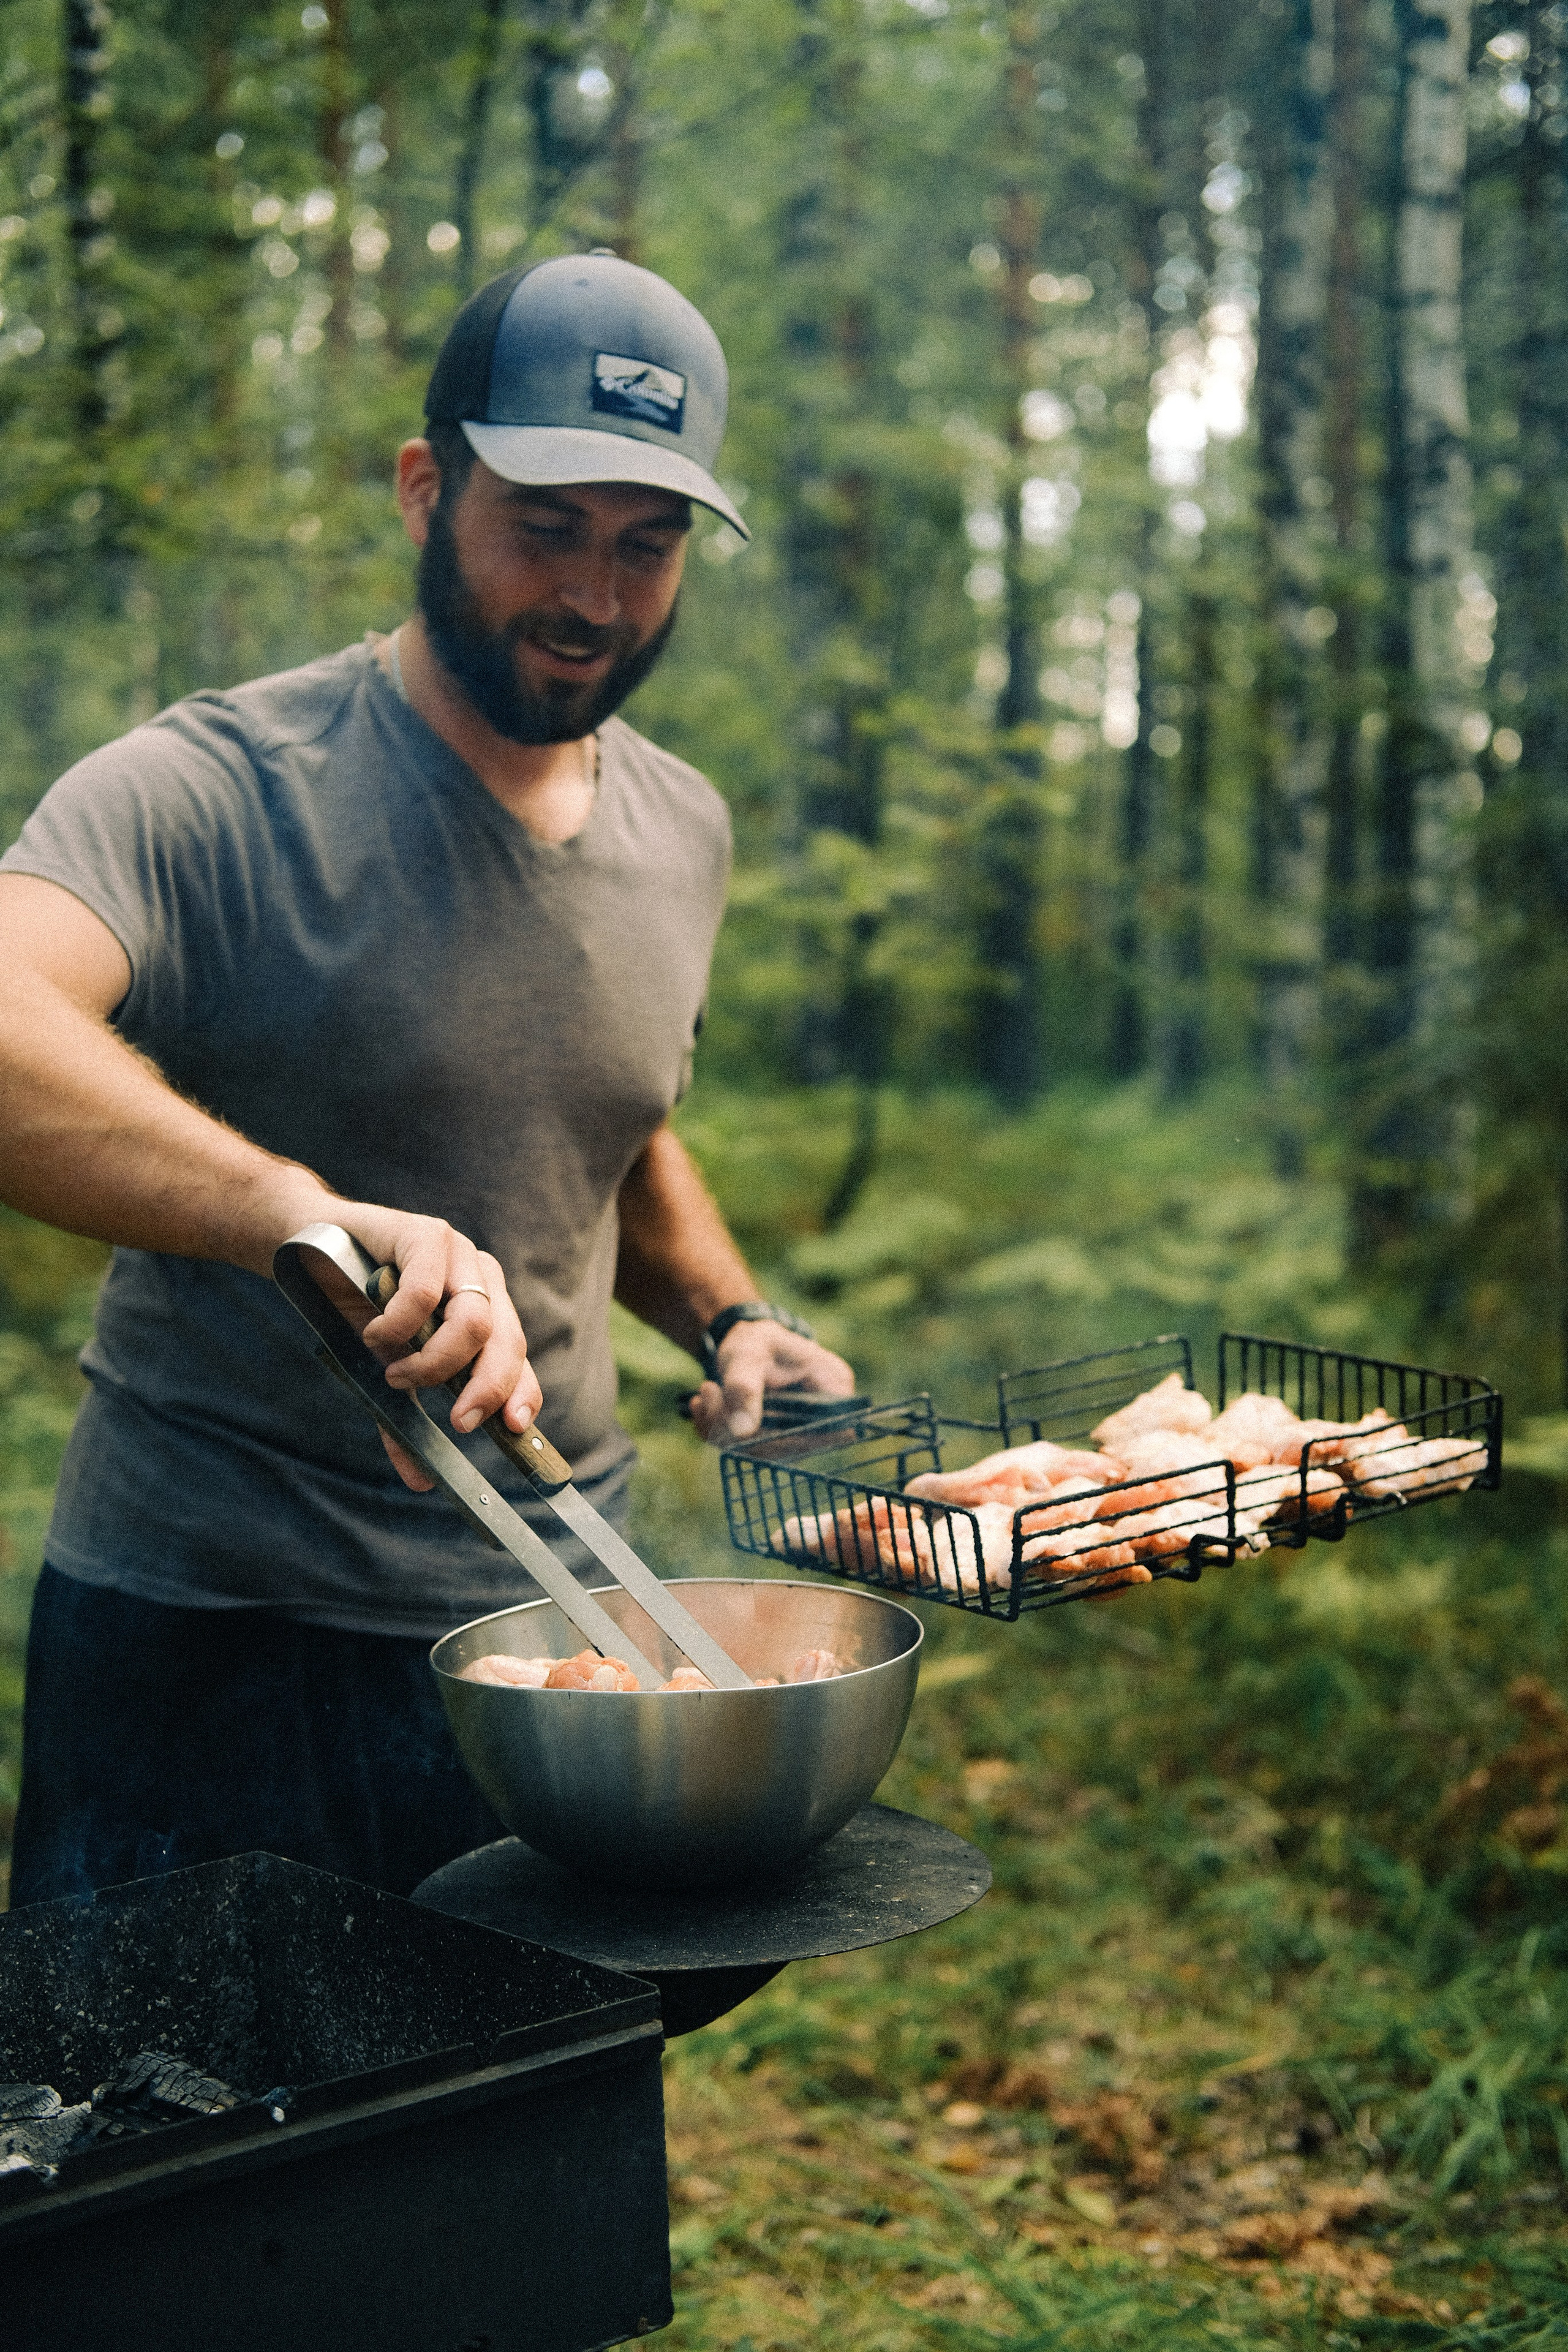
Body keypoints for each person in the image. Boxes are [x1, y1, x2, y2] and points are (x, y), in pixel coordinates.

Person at [0, 252, 853, 1906]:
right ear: (423, 487)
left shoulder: (683, 827)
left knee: (548, 2076)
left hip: (566, 1623)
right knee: (188, 2081)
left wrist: (733, 1318)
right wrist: (298, 1219)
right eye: (547, 524)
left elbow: (608, 1126)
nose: (594, 594)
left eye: (647, 544)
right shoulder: (219, 786)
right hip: (216, 1631)